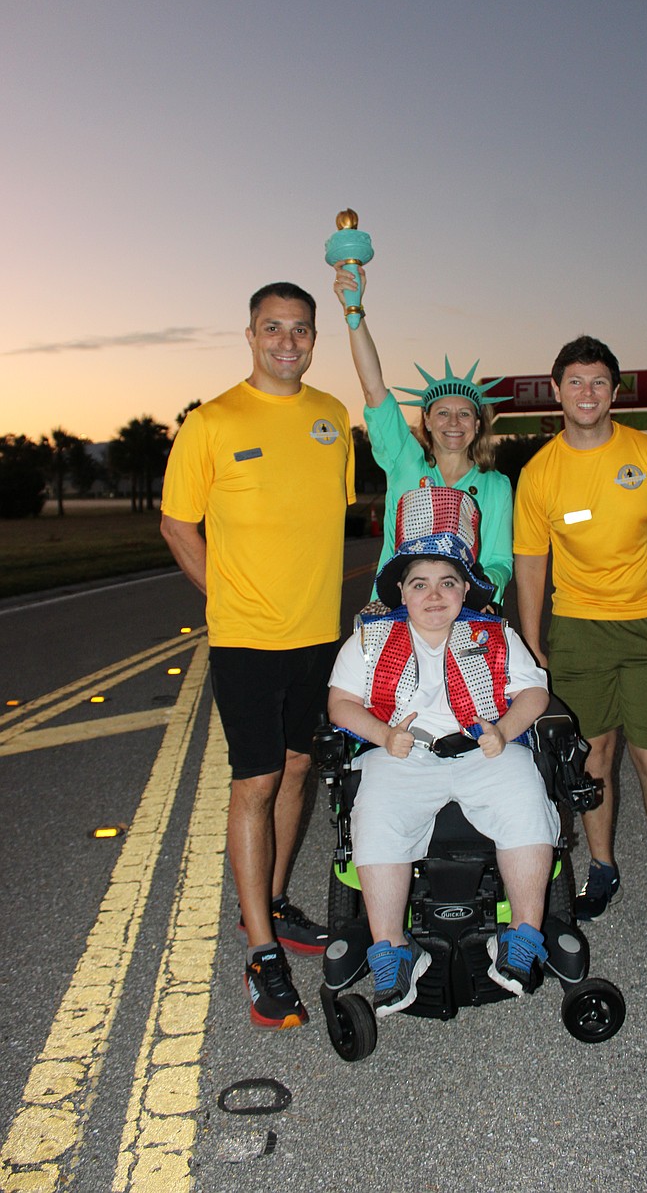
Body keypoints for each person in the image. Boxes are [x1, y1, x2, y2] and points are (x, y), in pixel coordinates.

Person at [161, 281, 356, 1029]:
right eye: (273, 328)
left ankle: (268, 905)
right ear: (249, 334)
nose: (287, 341)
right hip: (245, 637)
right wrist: (228, 597)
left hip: (315, 634)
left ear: (313, 338)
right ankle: (262, 955)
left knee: (301, 768)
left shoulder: (331, 418)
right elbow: (179, 526)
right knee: (258, 779)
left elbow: (317, 518)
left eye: (301, 329)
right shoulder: (210, 422)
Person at [327, 486, 560, 1016]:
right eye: (420, 584)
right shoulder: (370, 638)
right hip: (401, 753)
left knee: (527, 796)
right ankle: (392, 948)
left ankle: (523, 936)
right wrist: (384, 735)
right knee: (378, 812)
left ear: (464, 589)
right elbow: (340, 704)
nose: (434, 596)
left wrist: (504, 729)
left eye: (447, 583)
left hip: (483, 748)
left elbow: (534, 692)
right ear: (402, 592)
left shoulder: (494, 634)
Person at [513, 336, 647, 940]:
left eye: (599, 382)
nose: (587, 392)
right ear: (556, 391)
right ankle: (601, 871)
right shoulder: (540, 471)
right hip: (578, 629)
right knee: (594, 758)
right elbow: (530, 562)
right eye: (575, 381)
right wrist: (531, 640)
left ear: (614, 391)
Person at [332, 262, 512, 604]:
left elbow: (500, 560)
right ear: (426, 421)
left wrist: (482, 593)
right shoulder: (406, 463)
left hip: (467, 618)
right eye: (442, 413)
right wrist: (354, 314)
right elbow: (374, 391)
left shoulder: (496, 486)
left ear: (477, 424)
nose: (453, 423)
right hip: (395, 616)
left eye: (464, 415)